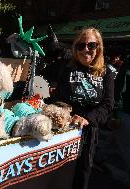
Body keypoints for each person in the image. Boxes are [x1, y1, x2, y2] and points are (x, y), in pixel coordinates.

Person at [41, 27, 114, 189]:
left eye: (91, 45)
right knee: (59, 175)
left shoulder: (106, 72)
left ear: (99, 48)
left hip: (87, 134)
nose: (85, 50)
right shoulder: (66, 68)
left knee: (81, 176)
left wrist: (88, 118)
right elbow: (57, 96)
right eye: (81, 46)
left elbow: (108, 105)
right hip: (64, 130)